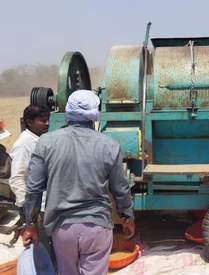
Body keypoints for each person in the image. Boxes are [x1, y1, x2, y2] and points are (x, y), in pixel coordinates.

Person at [21, 90, 135, 275]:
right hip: (97, 227)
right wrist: (127, 218)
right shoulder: (110, 145)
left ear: (68, 112)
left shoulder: (46, 142)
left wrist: (30, 225)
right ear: (95, 115)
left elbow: (33, 188)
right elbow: (120, 189)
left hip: (62, 229)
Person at [8, 104, 50, 242]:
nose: (47, 123)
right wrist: (27, 210)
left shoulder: (41, 140)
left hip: (44, 204)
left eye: (47, 119)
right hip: (35, 207)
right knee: (40, 244)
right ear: (30, 122)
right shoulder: (24, 144)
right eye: (42, 120)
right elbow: (17, 178)